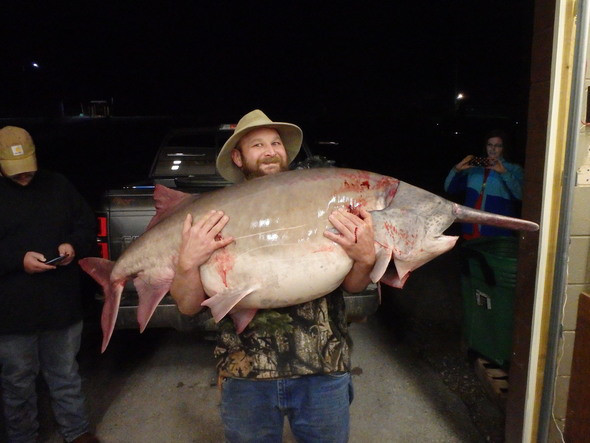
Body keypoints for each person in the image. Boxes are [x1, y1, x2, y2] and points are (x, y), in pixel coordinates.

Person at [169, 109, 375, 442]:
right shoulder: (213, 216)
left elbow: (352, 285)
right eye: (258, 144)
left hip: (323, 368)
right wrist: (186, 263)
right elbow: (188, 305)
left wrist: (365, 259)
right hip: (246, 374)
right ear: (238, 157)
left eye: (276, 143)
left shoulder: (325, 200)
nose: (270, 151)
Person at [0, 126, 99, 443]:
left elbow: (86, 226)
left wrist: (73, 245)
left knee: (66, 375)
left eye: (28, 168)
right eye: (15, 171)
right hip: (12, 313)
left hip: (61, 305)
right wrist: (18, 260)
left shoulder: (58, 184)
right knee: (17, 381)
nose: (24, 176)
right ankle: (22, 436)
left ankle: (76, 431)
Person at [444, 129, 524, 239]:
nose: (493, 149)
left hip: (497, 230)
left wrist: (504, 173)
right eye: (490, 145)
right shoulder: (475, 168)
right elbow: (449, 188)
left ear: (504, 148)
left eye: (498, 145)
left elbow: (520, 195)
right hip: (471, 226)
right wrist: (456, 169)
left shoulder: (513, 169)